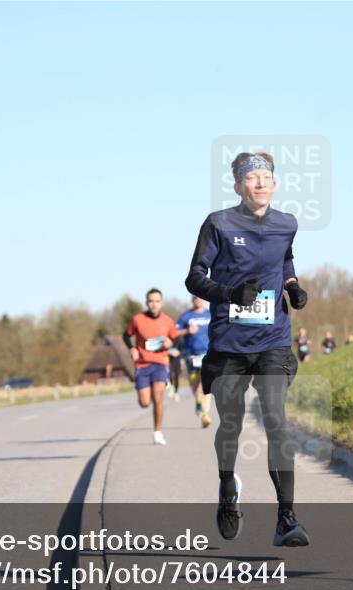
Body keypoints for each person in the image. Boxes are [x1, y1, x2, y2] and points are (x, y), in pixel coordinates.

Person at [185, 151, 311, 547]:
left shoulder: (287, 224)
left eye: (265, 177)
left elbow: (285, 260)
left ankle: (286, 518)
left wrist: (292, 286)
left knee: (276, 419)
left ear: (275, 185)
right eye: (250, 178)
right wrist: (228, 294)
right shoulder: (218, 223)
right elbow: (193, 278)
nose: (259, 183)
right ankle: (227, 489)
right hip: (229, 343)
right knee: (232, 425)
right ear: (238, 186)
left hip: (273, 339)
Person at [123, 288, 180, 445]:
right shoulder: (138, 320)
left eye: (157, 301)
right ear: (146, 302)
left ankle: (157, 432)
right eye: (150, 301)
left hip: (160, 363)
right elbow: (126, 335)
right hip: (142, 365)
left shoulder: (167, 321)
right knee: (145, 403)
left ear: (161, 303)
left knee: (158, 397)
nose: (153, 304)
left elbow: (176, 339)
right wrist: (132, 348)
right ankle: (151, 390)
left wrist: (171, 343)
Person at [176, 295, 213, 427]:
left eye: (199, 297)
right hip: (190, 354)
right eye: (195, 297)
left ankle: (206, 413)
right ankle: (198, 401)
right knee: (195, 383)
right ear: (191, 299)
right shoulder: (186, 316)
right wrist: (187, 330)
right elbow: (175, 332)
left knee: (206, 384)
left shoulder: (210, 313)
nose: (197, 299)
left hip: (208, 353)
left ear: (203, 299)